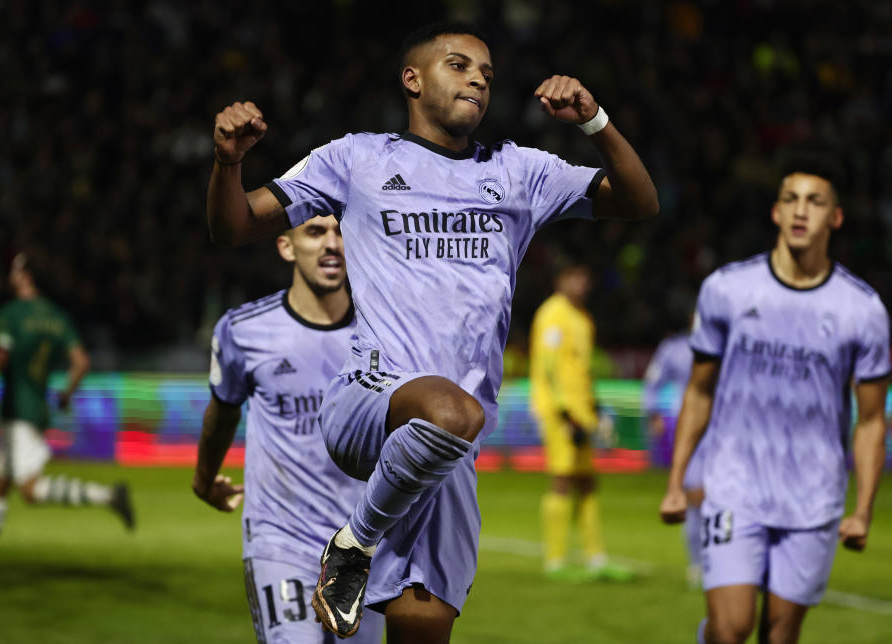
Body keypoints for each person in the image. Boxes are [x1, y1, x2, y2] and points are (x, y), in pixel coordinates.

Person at [208, 22, 657, 641]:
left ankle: (358, 544)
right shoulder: (357, 159)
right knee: (451, 409)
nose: (477, 77)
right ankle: (353, 545)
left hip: (449, 454)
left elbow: (639, 201)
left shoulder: (519, 171)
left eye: (488, 74)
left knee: (424, 630)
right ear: (412, 79)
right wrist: (228, 165)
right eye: (458, 64)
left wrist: (595, 122)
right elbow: (233, 226)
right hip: (369, 400)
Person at [659, 153, 890, 644]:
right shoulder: (728, 289)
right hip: (735, 486)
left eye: (815, 201)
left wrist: (862, 509)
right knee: (730, 629)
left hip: (815, 498)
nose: (802, 210)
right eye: (791, 199)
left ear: (837, 217)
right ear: (776, 213)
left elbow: (871, 421)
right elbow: (699, 391)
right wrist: (677, 481)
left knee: (780, 637)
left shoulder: (862, 310)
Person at [192, 215, 383, 644]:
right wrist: (204, 481)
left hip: (362, 546)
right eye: (316, 232)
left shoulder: (387, 335)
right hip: (281, 540)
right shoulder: (244, 331)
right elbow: (221, 416)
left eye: (341, 232)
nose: (331, 244)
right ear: (286, 246)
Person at [0, 253, 134, 580]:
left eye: (15, 267)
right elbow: (81, 362)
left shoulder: (11, 314)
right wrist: (65, 395)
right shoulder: (57, 317)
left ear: (25, 275)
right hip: (37, 405)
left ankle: (109, 495)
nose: (10, 273)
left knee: (30, 490)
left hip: (18, 410)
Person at [528, 262, 632, 582]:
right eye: (574, 277)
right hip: (560, 412)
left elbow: (582, 371)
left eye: (584, 277)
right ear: (560, 280)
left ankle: (595, 558)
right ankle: (555, 561)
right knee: (562, 478)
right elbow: (548, 367)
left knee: (587, 480)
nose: (580, 284)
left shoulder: (583, 318)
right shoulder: (553, 314)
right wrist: (563, 412)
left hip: (580, 412)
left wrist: (595, 408)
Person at [643, 317, 703, 587]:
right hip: (688, 424)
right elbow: (653, 380)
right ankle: (698, 563)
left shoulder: (730, 343)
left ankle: (728, 562)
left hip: (727, 427)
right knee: (695, 495)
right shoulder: (675, 348)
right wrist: (653, 411)